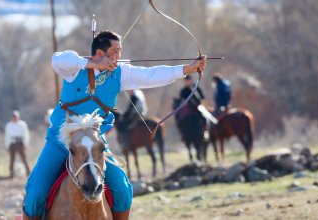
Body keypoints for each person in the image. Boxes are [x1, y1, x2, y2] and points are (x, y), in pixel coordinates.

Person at [22, 30, 207, 220]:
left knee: (123, 190)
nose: (119, 56)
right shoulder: (74, 69)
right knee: (35, 193)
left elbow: (151, 75)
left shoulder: (120, 73)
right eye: (115, 51)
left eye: (120, 50)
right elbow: (57, 59)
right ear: (100, 53)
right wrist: (92, 64)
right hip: (61, 141)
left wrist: (187, 69)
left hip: (95, 142)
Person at [4, 110, 31, 178]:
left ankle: (28, 172)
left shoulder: (22, 124)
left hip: (20, 143)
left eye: (15, 117)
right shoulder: (8, 125)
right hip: (12, 143)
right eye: (13, 117)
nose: (14, 118)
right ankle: (11, 173)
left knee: (24, 158)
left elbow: (26, 135)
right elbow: (7, 136)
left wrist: (25, 144)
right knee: (12, 159)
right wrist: (7, 146)